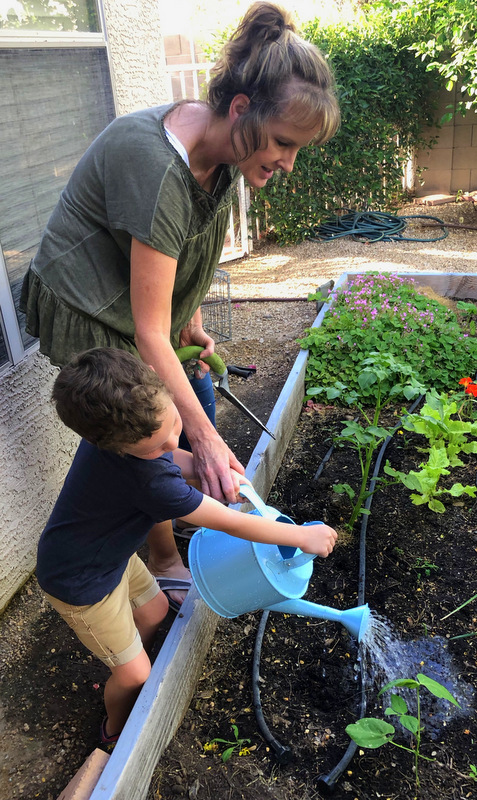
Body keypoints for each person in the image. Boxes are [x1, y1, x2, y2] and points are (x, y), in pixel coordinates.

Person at [20, 1, 340, 609]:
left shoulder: (224, 152)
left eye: (298, 148)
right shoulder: (159, 167)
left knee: (192, 404)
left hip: (136, 303)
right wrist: (208, 441)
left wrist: (190, 320)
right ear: (242, 109)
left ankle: (179, 510)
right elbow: (146, 333)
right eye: (282, 142)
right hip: (90, 301)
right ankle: (165, 557)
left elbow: (191, 246)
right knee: (140, 431)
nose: (287, 162)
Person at [37, 347, 338, 745]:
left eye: (173, 427)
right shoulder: (150, 484)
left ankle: (122, 657)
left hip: (107, 555)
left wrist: (204, 465)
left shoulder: (114, 438)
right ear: (118, 446)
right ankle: (113, 727)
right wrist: (302, 536)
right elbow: (231, 523)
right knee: (137, 675)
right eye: (158, 448)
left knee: (156, 607)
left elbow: (171, 458)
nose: (170, 446)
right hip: (80, 585)